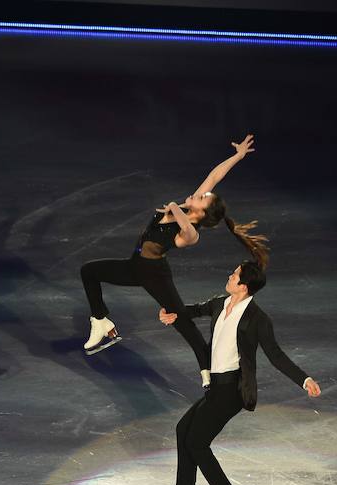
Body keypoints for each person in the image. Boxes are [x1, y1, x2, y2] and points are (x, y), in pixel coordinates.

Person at [80, 135, 269, 388]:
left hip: (154, 275)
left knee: (181, 322)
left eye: (202, 199)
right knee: (89, 271)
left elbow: (186, 229)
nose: (198, 194)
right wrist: (238, 156)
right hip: (133, 267)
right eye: (202, 195)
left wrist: (174, 206)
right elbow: (214, 177)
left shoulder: (190, 232)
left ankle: (207, 369)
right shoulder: (190, 207)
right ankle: (101, 321)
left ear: (201, 213)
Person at [156, 260, 321, 485]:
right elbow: (193, 310)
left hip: (233, 390)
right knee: (183, 430)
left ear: (243, 286)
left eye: (234, 275)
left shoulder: (257, 319)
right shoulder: (220, 304)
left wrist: (304, 379)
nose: (230, 276)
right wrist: (171, 312)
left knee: (197, 442)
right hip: (215, 386)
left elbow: (275, 355)